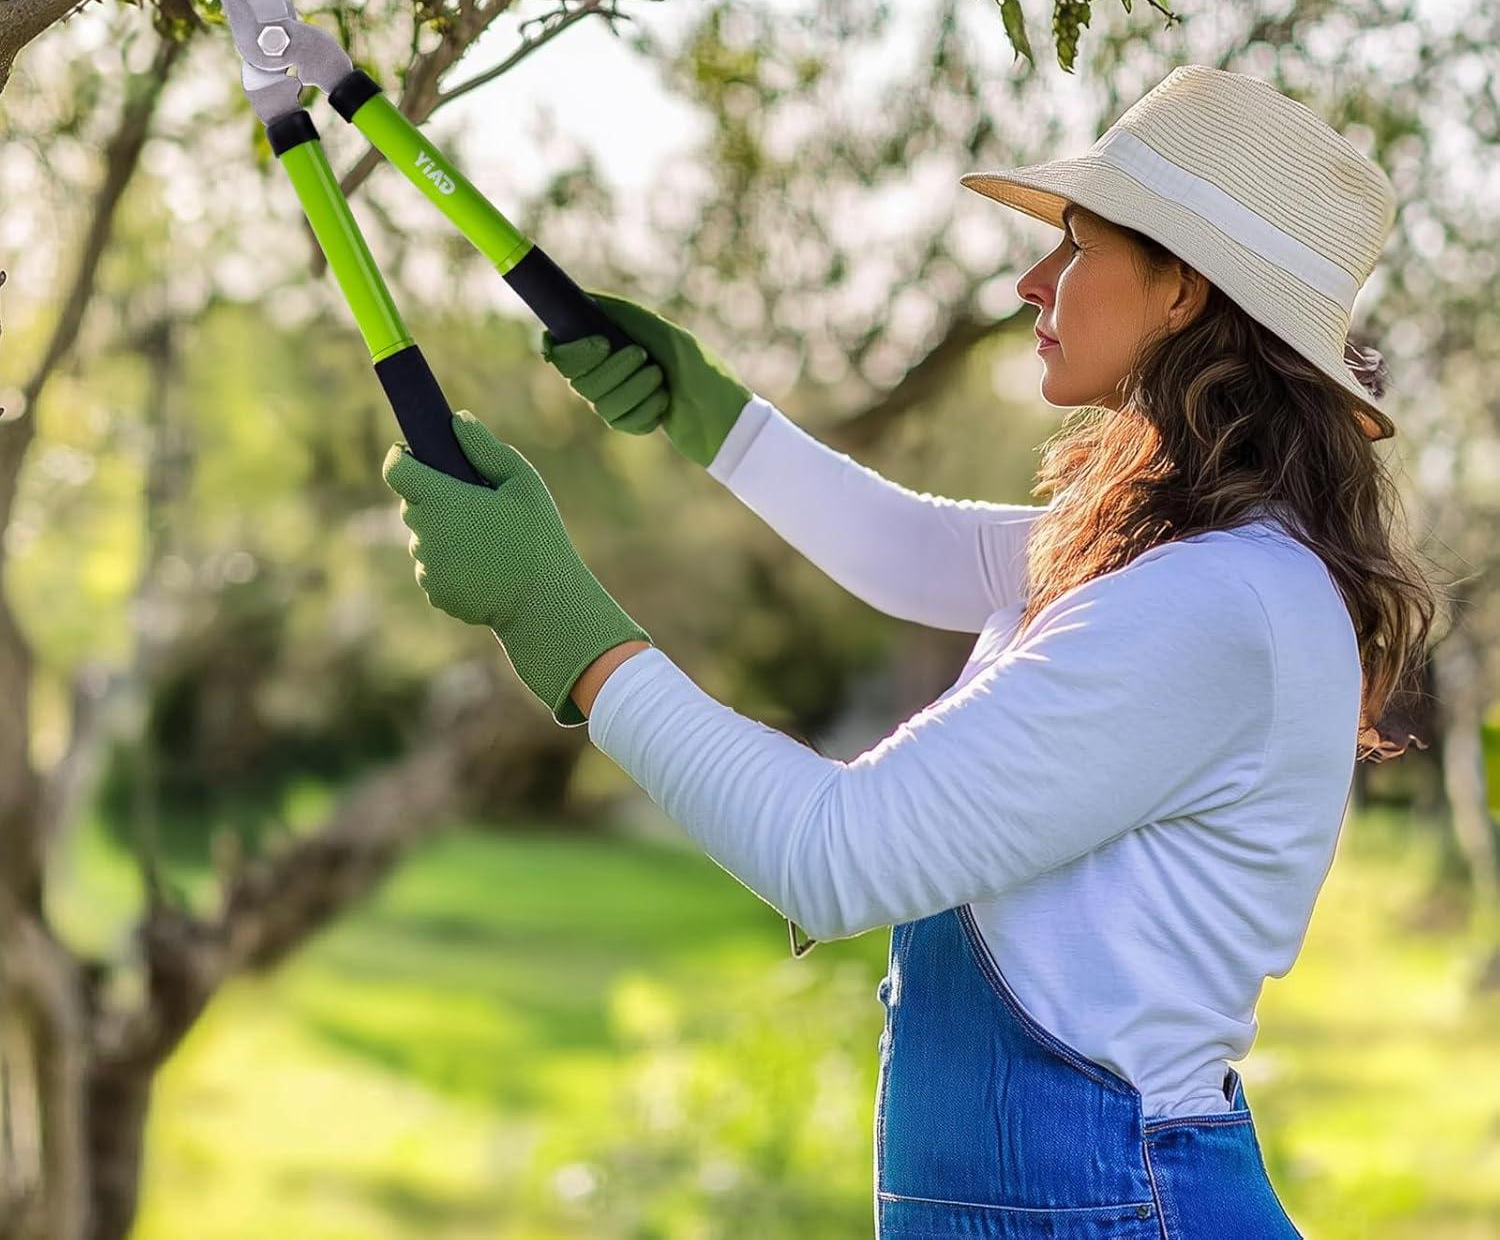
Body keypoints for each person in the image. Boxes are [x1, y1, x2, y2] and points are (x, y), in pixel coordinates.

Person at [381, 64, 1441, 1238]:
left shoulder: (1216, 600)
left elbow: (837, 858)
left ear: (1184, 289)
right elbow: (913, 555)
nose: (1034, 277)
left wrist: (556, 618)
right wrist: (707, 413)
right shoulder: (1193, 562)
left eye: (1077, 246)